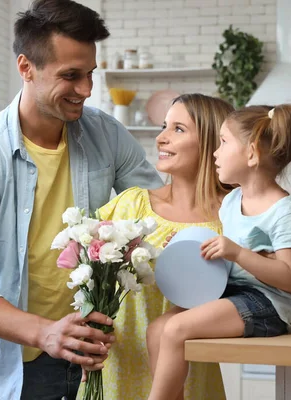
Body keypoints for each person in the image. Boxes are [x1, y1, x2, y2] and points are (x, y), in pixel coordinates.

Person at [0, 0, 163, 399]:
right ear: (27, 68)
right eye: (71, 76)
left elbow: (160, 211)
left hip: (103, 346)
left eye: (90, 74)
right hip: (27, 360)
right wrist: (45, 332)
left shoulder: (107, 136)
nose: (87, 90)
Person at [146, 104, 291, 400]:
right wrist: (186, 242)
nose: (215, 152)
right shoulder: (233, 199)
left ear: (251, 153)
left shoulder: (283, 211)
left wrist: (236, 253)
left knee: (175, 330)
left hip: (267, 303)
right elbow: (228, 251)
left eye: (223, 142)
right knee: (158, 328)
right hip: (234, 291)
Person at [93, 93, 235, 400]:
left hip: (192, 376)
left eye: (178, 129)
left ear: (213, 142)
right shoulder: (130, 205)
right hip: (119, 364)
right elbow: (92, 281)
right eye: (163, 127)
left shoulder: (233, 218)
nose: (161, 139)